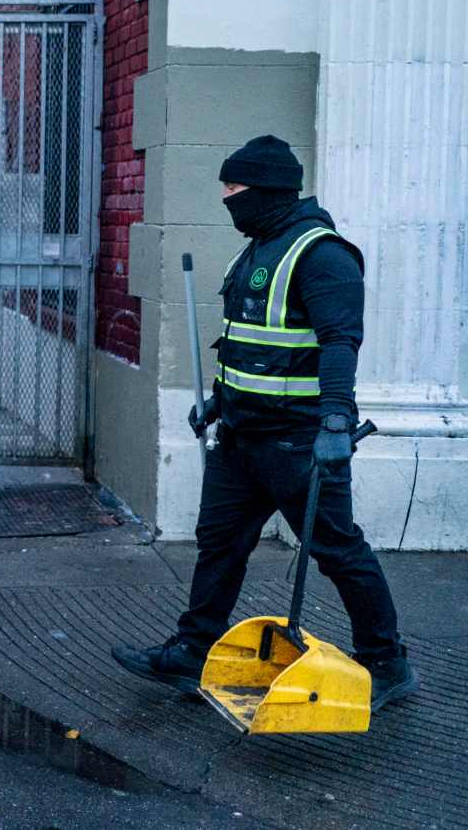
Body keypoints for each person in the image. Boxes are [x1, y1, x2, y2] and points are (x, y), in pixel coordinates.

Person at [111, 135, 419, 711]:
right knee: (219, 545)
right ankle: (194, 654)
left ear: (269, 190)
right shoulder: (255, 250)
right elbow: (247, 344)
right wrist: (219, 401)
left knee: (336, 549)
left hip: (299, 439)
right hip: (242, 437)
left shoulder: (322, 254)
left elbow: (338, 343)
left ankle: (387, 661)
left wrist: (335, 421)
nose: (227, 199)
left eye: (235, 188)